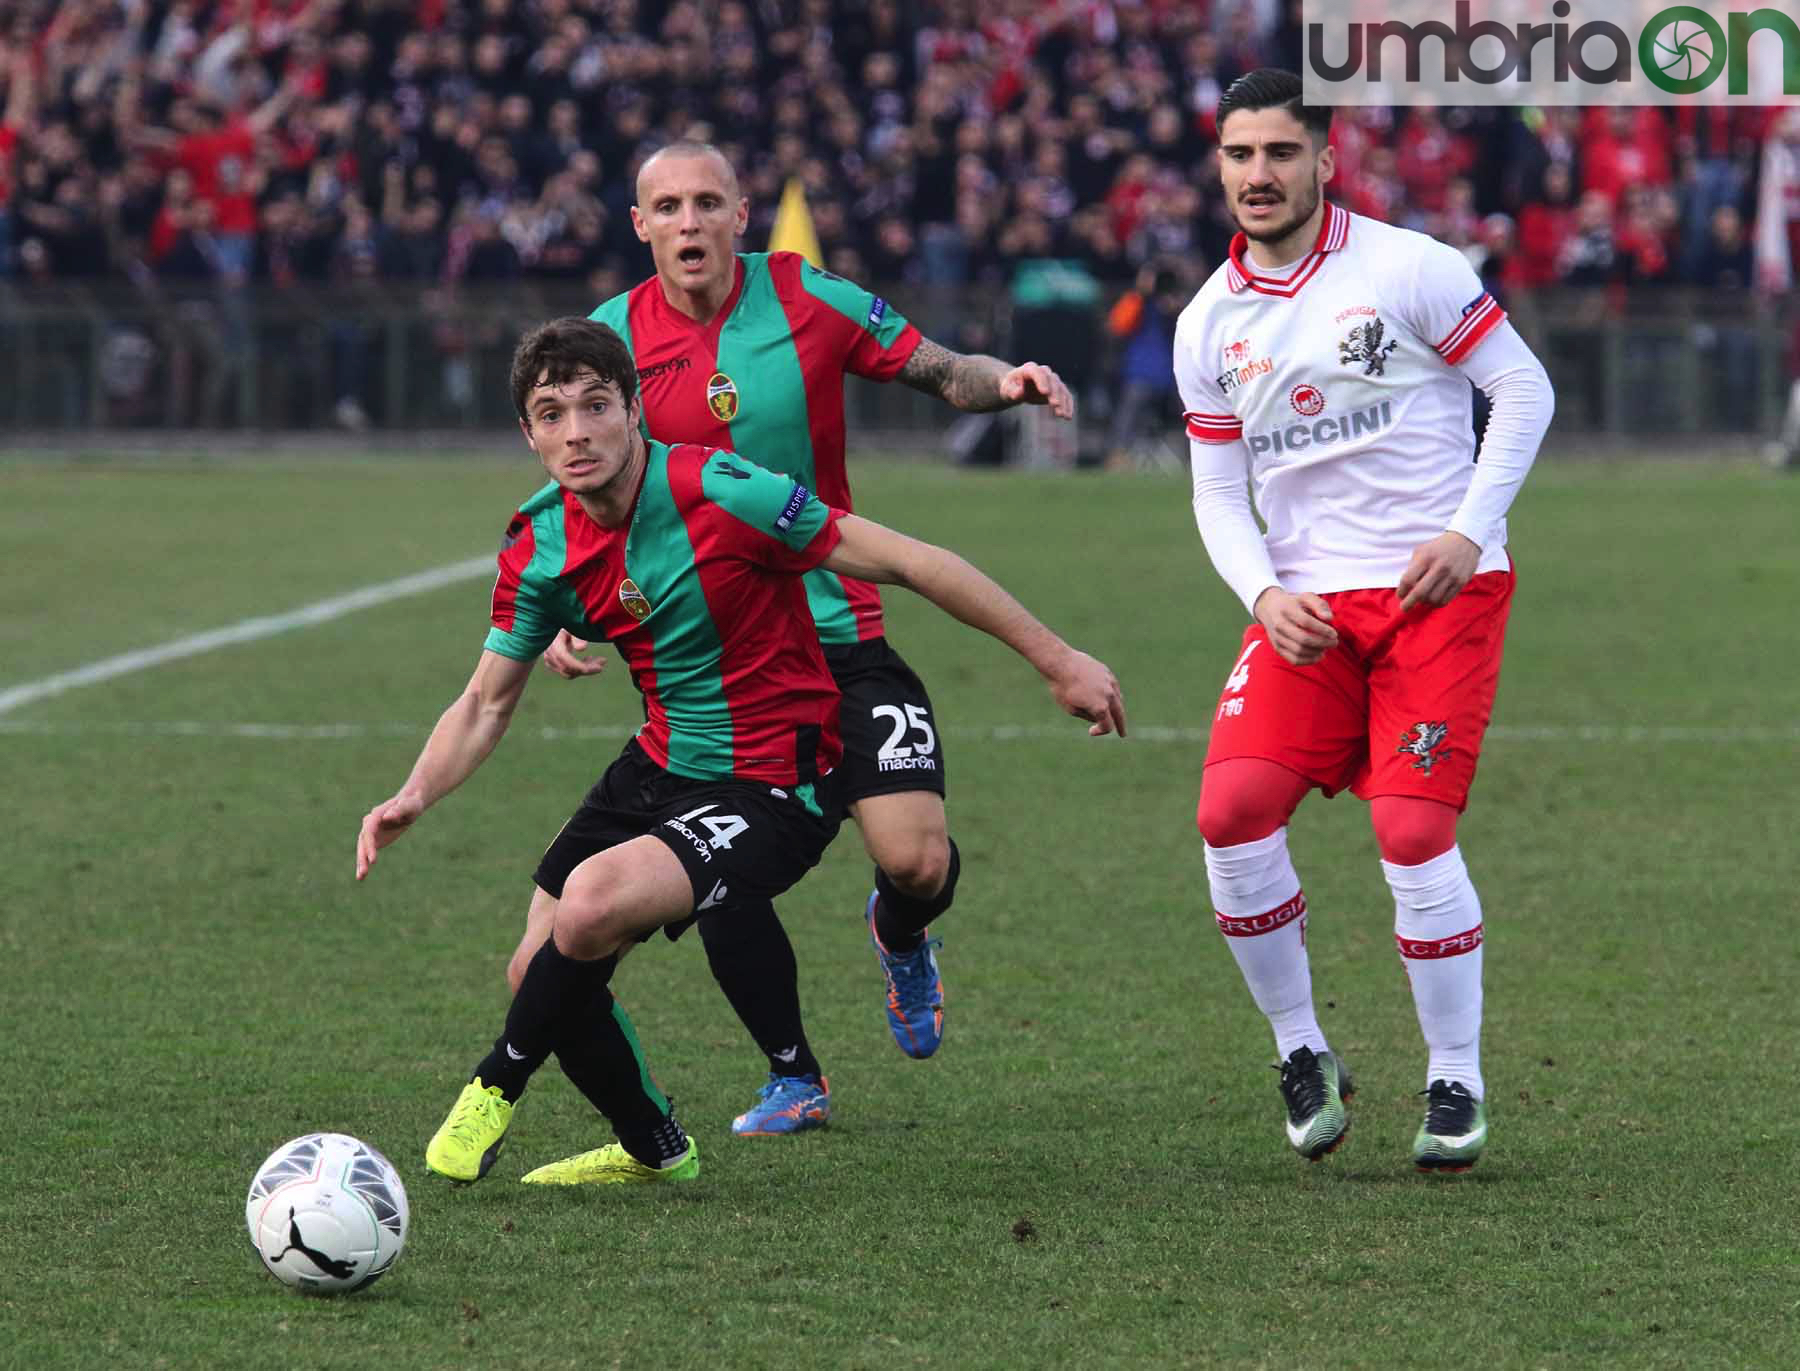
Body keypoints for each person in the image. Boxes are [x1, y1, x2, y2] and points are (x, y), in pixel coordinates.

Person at [354, 317, 1124, 1186]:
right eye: (553, 413)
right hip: (663, 762)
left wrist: (1058, 659)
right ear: (528, 433)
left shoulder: (721, 488)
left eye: (597, 405)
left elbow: (910, 560)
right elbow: (486, 701)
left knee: (588, 907)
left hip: (776, 780)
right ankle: (655, 1147)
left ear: (635, 407)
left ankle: (496, 1081)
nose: (578, 432)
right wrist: (415, 792)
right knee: (537, 967)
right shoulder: (538, 546)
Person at [531, 140, 1078, 1137]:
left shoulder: (807, 296)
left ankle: (901, 931)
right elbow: (577, 475)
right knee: (718, 864)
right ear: (639, 224)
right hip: (722, 658)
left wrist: (1007, 385)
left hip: (841, 627)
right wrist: (568, 618)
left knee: (915, 859)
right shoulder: (610, 337)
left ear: (742, 214)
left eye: (707, 202)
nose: (689, 222)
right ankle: (795, 1075)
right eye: (668, 206)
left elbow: (940, 368)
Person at [1174, 71, 1554, 1172]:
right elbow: (1213, 489)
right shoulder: (1209, 321)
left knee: (1413, 833)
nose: (1259, 174)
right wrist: (1262, 596)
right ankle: (1302, 1052)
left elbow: (1523, 390)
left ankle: (1456, 1079)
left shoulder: (1411, 268)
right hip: (1306, 612)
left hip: (1440, 590)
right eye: (1240, 154)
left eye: (1280, 153)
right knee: (1231, 813)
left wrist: (1468, 531)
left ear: (1324, 160)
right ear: (1219, 164)